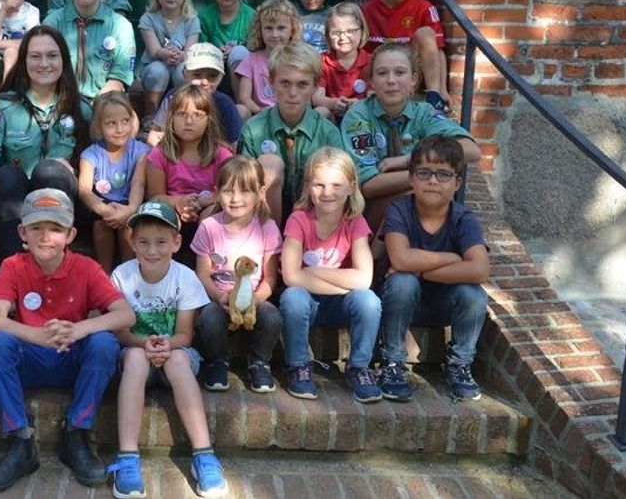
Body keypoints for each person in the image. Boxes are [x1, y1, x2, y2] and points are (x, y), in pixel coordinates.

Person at [0, 188, 136, 494]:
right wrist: (35, 334)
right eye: (36, 227)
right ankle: (20, 442)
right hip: (31, 358)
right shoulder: (13, 266)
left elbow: (125, 315)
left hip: (72, 359)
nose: (45, 236)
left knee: (104, 343)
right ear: (23, 232)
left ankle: (76, 434)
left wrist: (79, 329)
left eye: (55, 228)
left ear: (71, 234)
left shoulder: (87, 268)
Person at [107, 200, 228, 499]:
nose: (151, 250)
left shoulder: (184, 277)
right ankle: (127, 458)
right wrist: (143, 344)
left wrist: (166, 345)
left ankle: (204, 455)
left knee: (176, 361)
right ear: (131, 241)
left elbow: (185, 334)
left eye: (161, 242)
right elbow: (120, 331)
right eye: (143, 242)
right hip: (137, 355)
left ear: (176, 242)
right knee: (135, 358)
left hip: (176, 353)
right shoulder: (122, 275)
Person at [377, 135, 489, 403]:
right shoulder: (399, 210)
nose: (433, 181)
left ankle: (460, 365)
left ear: (457, 183)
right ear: (411, 178)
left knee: (473, 295)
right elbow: (401, 259)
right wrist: (452, 258)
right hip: (400, 303)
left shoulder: (463, 219)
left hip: (443, 305)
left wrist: (422, 270)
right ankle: (392, 362)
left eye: (443, 174)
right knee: (403, 281)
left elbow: (480, 270)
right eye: (424, 173)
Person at [0, 26, 91, 263]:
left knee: (50, 170)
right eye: (35, 56)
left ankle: (57, 264)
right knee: (8, 176)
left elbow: (98, 161)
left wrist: (73, 171)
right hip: (13, 203)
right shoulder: (0, 109)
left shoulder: (82, 109)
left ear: (64, 60)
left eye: (52, 55)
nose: (44, 63)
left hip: (63, 201)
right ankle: (14, 270)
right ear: (23, 61)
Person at [339, 42, 480, 230]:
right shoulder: (358, 115)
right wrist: (423, 177)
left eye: (399, 72)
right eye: (382, 73)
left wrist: (410, 160)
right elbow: (368, 185)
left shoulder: (424, 113)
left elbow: (472, 150)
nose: (391, 80)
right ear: (371, 81)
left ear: (413, 79)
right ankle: (376, 256)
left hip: (419, 207)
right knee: (424, 189)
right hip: (368, 216)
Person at [279, 147, 381, 403]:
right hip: (307, 303)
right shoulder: (298, 220)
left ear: (351, 187)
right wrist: (343, 284)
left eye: (336, 184)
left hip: (340, 306)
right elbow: (291, 277)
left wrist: (314, 272)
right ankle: (299, 366)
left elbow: (364, 279)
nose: (327, 193)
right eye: (319, 184)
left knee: (368, 301)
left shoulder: (355, 222)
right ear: (308, 187)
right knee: (293, 297)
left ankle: (359, 367)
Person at [192, 156, 282, 394]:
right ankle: (217, 360)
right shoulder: (209, 227)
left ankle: (259, 361)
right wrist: (220, 297)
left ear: (261, 193)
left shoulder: (268, 228)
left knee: (272, 318)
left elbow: (270, 278)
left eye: (245, 191)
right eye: (228, 190)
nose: (236, 198)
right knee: (209, 318)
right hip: (219, 297)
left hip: (255, 297)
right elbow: (202, 275)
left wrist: (255, 301)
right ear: (216, 191)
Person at [238, 41, 344, 225]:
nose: (292, 93)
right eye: (285, 83)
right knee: (269, 164)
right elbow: (243, 188)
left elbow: (341, 189)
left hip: (315, 220)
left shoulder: (327, 132)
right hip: (263, 217)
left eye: (302, 84)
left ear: (315, 86)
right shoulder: (253, 129)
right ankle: (270, 244)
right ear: (271, 82)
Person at [145, 84, 233, 268]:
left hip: (210, 207)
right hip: (174, 208)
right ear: (171, 119)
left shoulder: (221, 154)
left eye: (197, 115)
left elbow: (231, 191)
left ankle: (210, 270)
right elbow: (155, 196)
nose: (189, 121)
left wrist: (203, 203)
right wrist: (178, 202)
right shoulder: (159, 154)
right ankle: (163, 270)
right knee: (164, 216)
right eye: (182, 114)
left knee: (210, 217)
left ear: (209, 120)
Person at [362, 0, 450, 112]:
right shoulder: (368, 9)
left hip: (412, 73)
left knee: (425, 34)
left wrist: (442, 89)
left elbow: (437, 51)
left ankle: (433, 98)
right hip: (382, 73)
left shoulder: (424, 8)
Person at [43, 0, 136, 100]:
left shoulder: (121, 27)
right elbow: (44, 72)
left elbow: (118, 79)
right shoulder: (53, 23)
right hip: (60, 101)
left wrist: (95, 108)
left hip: (105, 103)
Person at [78, 91, 150, 273]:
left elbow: (138, 183)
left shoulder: (141, 151)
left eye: (125, 121)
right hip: (100, 207)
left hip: (130, 205)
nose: (120, 129)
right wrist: (107, 211)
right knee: (101, 225)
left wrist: (130, 209)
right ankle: (104, 274)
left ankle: (128, 273)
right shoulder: (90, 154)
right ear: (99, 126)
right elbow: (85, 191)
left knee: (128, 225)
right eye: (111, 124)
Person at [138, 0, 200, 125]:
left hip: (181, 63)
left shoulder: (192, 19)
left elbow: (191, 52)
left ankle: (178, 113)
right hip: (155, 66)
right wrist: (166, 54)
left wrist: (181, 55)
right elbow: (154, 51)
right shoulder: (148, 19)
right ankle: (151, 114)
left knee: (184, 71)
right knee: (158, 71)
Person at [146, 43, 244, 147]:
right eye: (197, 75)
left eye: (212, 76)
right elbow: (156, 134)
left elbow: (234, 146)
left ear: (221, 78)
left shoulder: (225, 105)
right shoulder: (172, 98)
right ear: (185, 74)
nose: (204, 82)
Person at [234, 0, 302, 116]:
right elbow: (244, 97)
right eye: (268, 28)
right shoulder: (251, 61)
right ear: (260, 30)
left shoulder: (298, 60)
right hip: (259, 116)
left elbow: (305, 97)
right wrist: (260, 112)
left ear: (292, 29)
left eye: (281, 28)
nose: (274, 34)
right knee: (240, 110)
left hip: (290, 115)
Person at [197, 0, 255, 95]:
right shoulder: (204, 16)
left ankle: (242, 105)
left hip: (244, 75)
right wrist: (216, 52)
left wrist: (238, 50)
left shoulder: (252, 16)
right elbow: (199, 47)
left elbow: (258, 49)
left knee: (238, 53)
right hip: (213, 72)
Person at [314, 2, 372, 120]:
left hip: (363, 120)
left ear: (362, 31)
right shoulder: (323, 61)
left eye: (350, 31)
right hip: (332, 119)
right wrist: (334, 103)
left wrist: (360, 104)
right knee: (320, 112)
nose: (343, 37)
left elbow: (376, 97)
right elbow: (316, 98)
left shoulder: (371, 62)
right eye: (336, 32)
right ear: (327, 35)